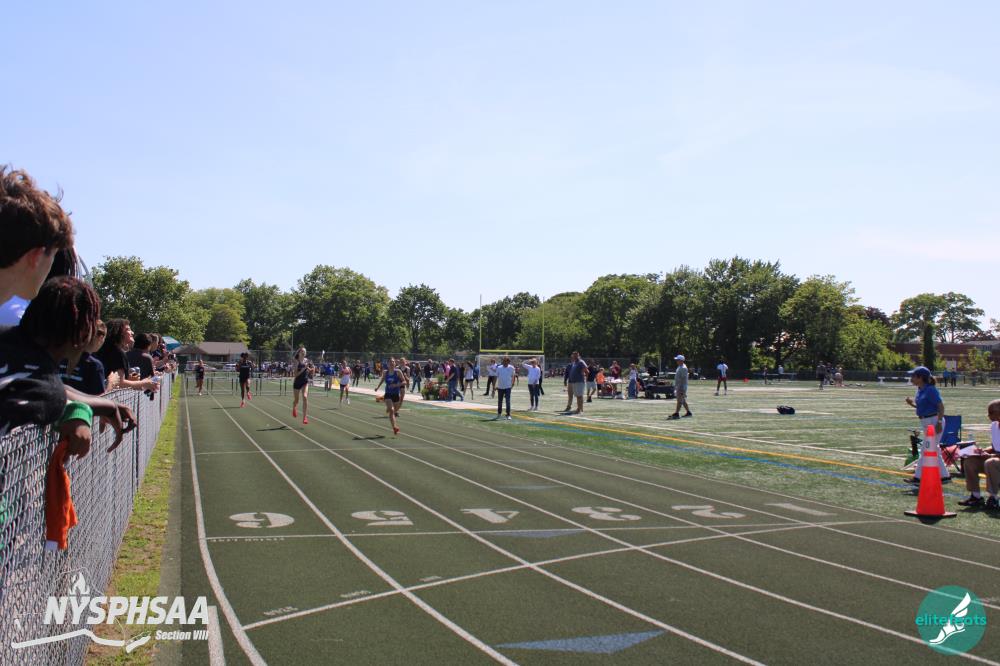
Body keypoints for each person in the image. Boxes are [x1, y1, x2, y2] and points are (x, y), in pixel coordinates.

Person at [904, 366, 949, 484]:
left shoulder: (930, 390)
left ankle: (918, 477)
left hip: (934, 421)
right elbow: (922, 408)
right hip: (926, 422)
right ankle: (944, 476)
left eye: (913, 376)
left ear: (920, 377)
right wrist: (911, 404)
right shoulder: (920, 389)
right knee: (933, 448)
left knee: (926, 449)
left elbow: (941, 406)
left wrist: (939, 422)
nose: (911, 378)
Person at [958, 400, 1000, 509]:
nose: (988, 415)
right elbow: (995, 447)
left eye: (991, 412)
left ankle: (993, 498)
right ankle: (975, 496)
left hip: (995, 461)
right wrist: (980, 451)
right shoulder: (994, 426)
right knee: (970, 461)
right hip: (995, 459)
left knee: (991, 462)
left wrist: (991, 456)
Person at [374, 358, 404, 435]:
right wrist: (377, 387)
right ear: (387, 364)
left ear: (395, 363)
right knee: (391, 410)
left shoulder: (398, 372)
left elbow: (404, 382)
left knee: (394, 411)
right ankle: (395, 427)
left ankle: (388, 408)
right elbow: (382, 380)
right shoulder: (385, 372)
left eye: (393, 362)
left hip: (396, 394)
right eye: (390, 362)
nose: (392, 363)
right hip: (388, 393)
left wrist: (396, 385)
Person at [291, 347, 312, 424]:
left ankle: (305, 417)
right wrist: (304, 368)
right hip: (297, 382)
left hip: (305, 381)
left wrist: (311, 370)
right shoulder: (296, 361)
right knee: (296, 400)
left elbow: (308, 369)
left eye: (304, 351)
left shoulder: (306, 360)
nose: (303, 353)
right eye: (302, 351)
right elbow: (295, 375)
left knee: (305, 397)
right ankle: (294, 407)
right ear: (299, 353)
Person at [492, 356, 517, 420]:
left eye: (506, 361)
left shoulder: (511, 368)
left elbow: (513, 376)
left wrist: (512, 384)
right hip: (500, 387)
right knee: (500, 401)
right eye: (503, 361)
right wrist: (494, 386)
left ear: (508, 362)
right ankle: (499, 414)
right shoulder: (499, 368)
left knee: (508, 401)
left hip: (508, 387)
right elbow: (496, 377)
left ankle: (508, 415)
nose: (504, 362)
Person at [668, 354, 692, 419]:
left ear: (681, 360)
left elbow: (683, 379)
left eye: (677, 360)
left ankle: (676, 413)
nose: (676, 361)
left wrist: (680, 388)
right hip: (679, 385)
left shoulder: (683, 368)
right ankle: (688, 412)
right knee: (682, 400)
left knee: (679, 400)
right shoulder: (680, 366)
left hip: (681, 386)